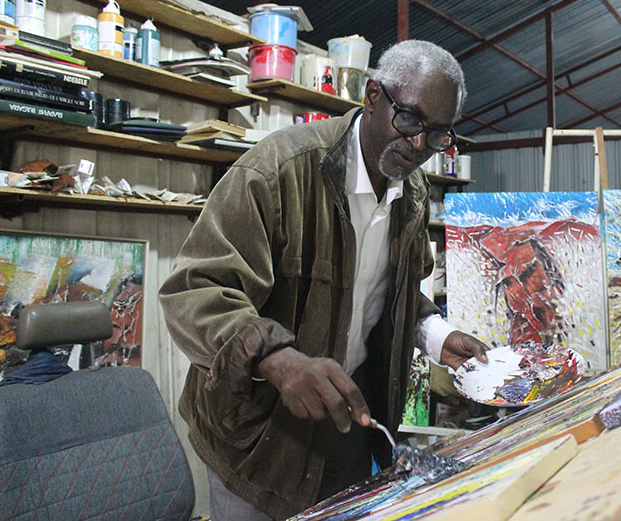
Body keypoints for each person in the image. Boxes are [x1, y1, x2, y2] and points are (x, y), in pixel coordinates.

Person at [159, 39, 488, 520]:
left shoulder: (412, 191)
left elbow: (391, 293)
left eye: (438, 134)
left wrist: (436, 334)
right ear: (373, 97)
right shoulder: (279, 170)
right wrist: (278, 359)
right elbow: (196, 290)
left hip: (345, 419)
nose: (420, 145)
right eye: (410, 120)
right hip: (257, 435)